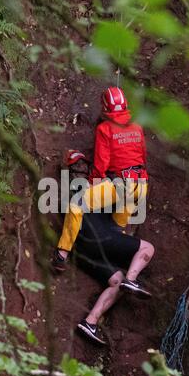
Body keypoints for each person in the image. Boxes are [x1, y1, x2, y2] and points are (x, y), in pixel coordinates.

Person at [53, 86, 148, 284]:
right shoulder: (137, 127)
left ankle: (62, 253)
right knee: (117, 227)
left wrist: (91, 185)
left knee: (77, 204)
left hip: (121, 184)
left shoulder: (105, 129)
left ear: (105, 106)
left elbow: (101, 165)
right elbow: (142, 156)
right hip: (141, 184)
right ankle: (123, 266)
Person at [75, 212, 154, 344]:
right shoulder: (98, 193)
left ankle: (90, 322)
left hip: (79, 248)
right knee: (148, 248)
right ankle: (131, 279)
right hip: (96, 234)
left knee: (118, 282)